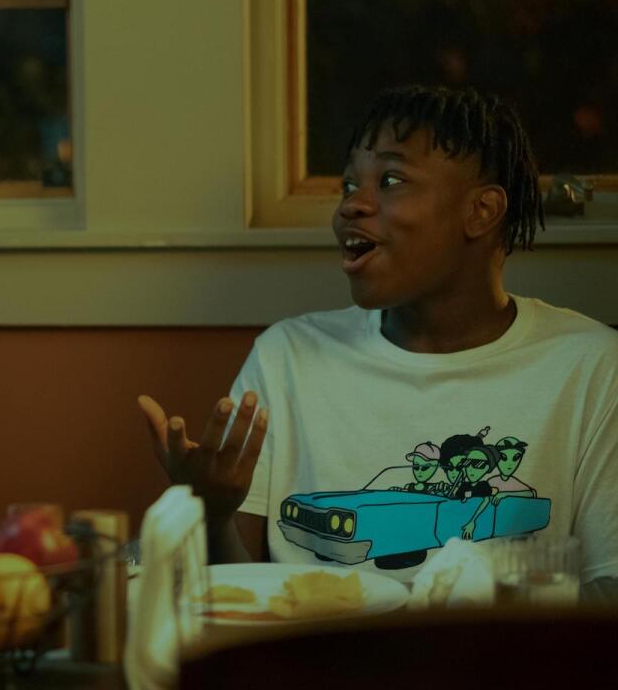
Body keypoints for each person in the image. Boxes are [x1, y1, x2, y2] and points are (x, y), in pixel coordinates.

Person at [140, 85, 618, 582]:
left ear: (481, 211)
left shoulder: (591, 368)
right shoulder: (288, 357)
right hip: (317, 657)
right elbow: (241, 594)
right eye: (349, 186)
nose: (352, 206)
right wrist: (211, 514)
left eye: (390, 180)